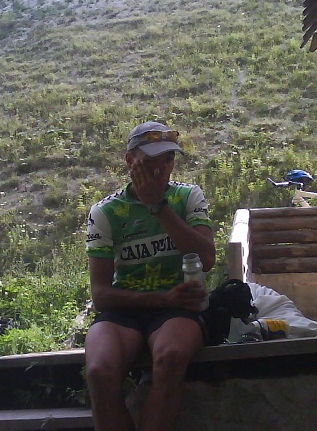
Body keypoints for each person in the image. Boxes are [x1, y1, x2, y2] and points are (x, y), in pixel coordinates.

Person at [84, 121, 215, 431]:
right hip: (126, 308)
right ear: (130, 161)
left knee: (170, 356)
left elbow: (206, 259)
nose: (160, 169)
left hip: (179, 308)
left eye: (168, 160)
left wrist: (159, 207)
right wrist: (160, 298)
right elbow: (101, 296)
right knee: (100, 372)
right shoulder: (106, 212)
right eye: (150, 161)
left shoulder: (187, 196)